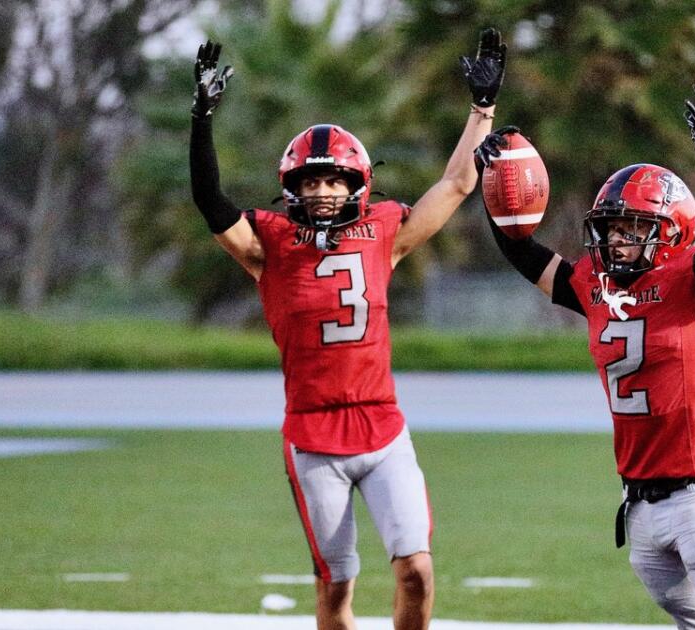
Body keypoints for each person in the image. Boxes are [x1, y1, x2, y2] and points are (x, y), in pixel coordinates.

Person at [188, 30, 505, 630]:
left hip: (383, 428)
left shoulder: (385, 232)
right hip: (312, 438)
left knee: (417, 571)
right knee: (336, 591)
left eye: (334, 181)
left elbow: (458, 184)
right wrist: (202, 117)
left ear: (357, 185)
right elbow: (209, 198)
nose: (324, 192)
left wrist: (482, 110)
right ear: (292, 188)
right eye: (311, 181)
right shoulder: (269, 246)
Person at [476, 82, 695, 630]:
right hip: (641, 510)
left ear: (671, 231)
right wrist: (495, 181)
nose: (616, 240)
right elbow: (520, 250)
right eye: (610, 228)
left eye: (632, 228)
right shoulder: (595, 284)